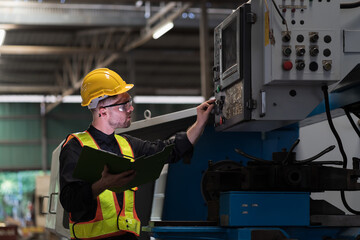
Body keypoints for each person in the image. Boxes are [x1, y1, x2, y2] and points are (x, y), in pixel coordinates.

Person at [59, 68, 214, 240]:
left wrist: (200, 123)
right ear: (102, 110)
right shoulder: (76, 147)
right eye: (123, 104)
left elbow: (170, 150)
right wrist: (103, 184)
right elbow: (69, 201)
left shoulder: (128, 145)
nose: (131, 108)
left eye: (129, 102)